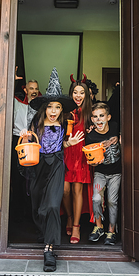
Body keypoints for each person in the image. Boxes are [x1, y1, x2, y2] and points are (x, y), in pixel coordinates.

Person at [24, 67, 78, 272]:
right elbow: (32, 143)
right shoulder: (36, 122)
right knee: (38, 207)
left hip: (56, 164)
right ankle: (43, 230)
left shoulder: (64, 123)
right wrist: (26, 136)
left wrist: (67, 144)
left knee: (53, 206)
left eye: (57, 107)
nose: (54, 111)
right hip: (38, 166)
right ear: (44, 108)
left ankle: (49, 250)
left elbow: (58, 144)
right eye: (50, 107)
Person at [62, 74, 93, 244]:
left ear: (86, 95)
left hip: (81, 156)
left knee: (77, 190)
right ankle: (69, 215)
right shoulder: (64, 112)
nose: (78, 95)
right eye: (75, 92)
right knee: (65, 190)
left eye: (82, 92)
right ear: (71, 94)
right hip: (66, 153)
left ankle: (76, 225)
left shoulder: (90, 112)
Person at [85, 102, 121, 245]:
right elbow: (90, 158)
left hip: (116, 173)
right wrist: (93, 163)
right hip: (100, 172)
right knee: (96, 199)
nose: (99, 119)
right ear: (92, 120)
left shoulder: (115, 126)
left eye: (102, 116)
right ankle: (98, 227)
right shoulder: (91, 136)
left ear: (108, 117)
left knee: (112, 201)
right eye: (95, 117)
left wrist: (118, 137)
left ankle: (111, 231)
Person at [11, 67, 40, 221]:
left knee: (33, 180)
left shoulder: (41, 107)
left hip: (35, 143)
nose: (34, 91)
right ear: (26, 89)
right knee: (17, 178)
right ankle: (16, 214)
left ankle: (31, 214)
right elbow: (4, 94)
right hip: (18, 141)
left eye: (36, 88)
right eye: (31, 88)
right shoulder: (17, 103)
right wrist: (12, 80)